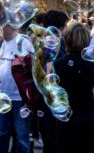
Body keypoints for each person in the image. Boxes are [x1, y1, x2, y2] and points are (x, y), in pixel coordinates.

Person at [0, 3, 33, 153]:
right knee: (1, 135)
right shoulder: (2, 43)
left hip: (19, 99)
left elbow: (31, 71)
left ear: (11, 24)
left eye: (2, 24)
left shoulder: (23, 42)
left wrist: (29, 100)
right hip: (3, 97)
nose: (0, 28)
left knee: (22, 138)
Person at [54, 23, 94, 153]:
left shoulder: (59, 64)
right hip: (88, 118)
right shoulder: (91, 65)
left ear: (67, 39)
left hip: (64, 118)